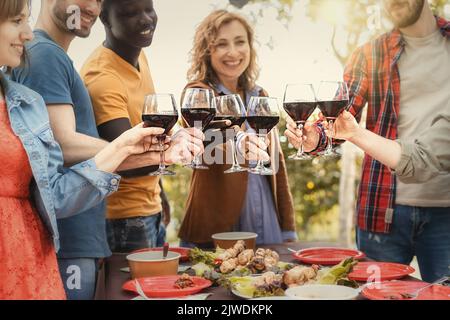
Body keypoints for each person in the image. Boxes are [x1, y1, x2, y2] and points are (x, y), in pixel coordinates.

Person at [12, 0, 203, 299]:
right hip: (71, 234)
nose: (91, 6)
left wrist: (151, 159)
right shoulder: (46, 55)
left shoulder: (54, 56)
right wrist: (145, 151)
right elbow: (63, 144)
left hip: (81, 229)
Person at [286, 0, 450, 282]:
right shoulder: (370, 54)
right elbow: (340, 117)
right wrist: (315, 140)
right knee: (373, 294)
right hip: (382, 208)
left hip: (445, 214)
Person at [80, 0, 203, 253]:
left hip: (149, 209)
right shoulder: (103, 78)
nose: (146, 19)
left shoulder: (136, 53)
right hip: (123, 217)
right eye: (130, 13)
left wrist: (160, 194)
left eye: (149, 8)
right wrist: (173, 152)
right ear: (104, 19)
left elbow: (149, 135)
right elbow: (122, 160)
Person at [178, 10, 297, 248]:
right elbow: (206, 137)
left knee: (264, 282)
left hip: (265, 213)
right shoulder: (198, 92)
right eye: (221, 44)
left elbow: (277, 164)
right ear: (207, 51)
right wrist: (238, 142)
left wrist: (287, 227)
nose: (233, 52)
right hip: (216, 220)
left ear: (250, 47)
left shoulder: (259, 95)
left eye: (240, 42)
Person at [324, 105, 450, 184]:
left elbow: (421, 159)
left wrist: (354, 133)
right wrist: (320, 137)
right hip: (381, 196)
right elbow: (420, 159)